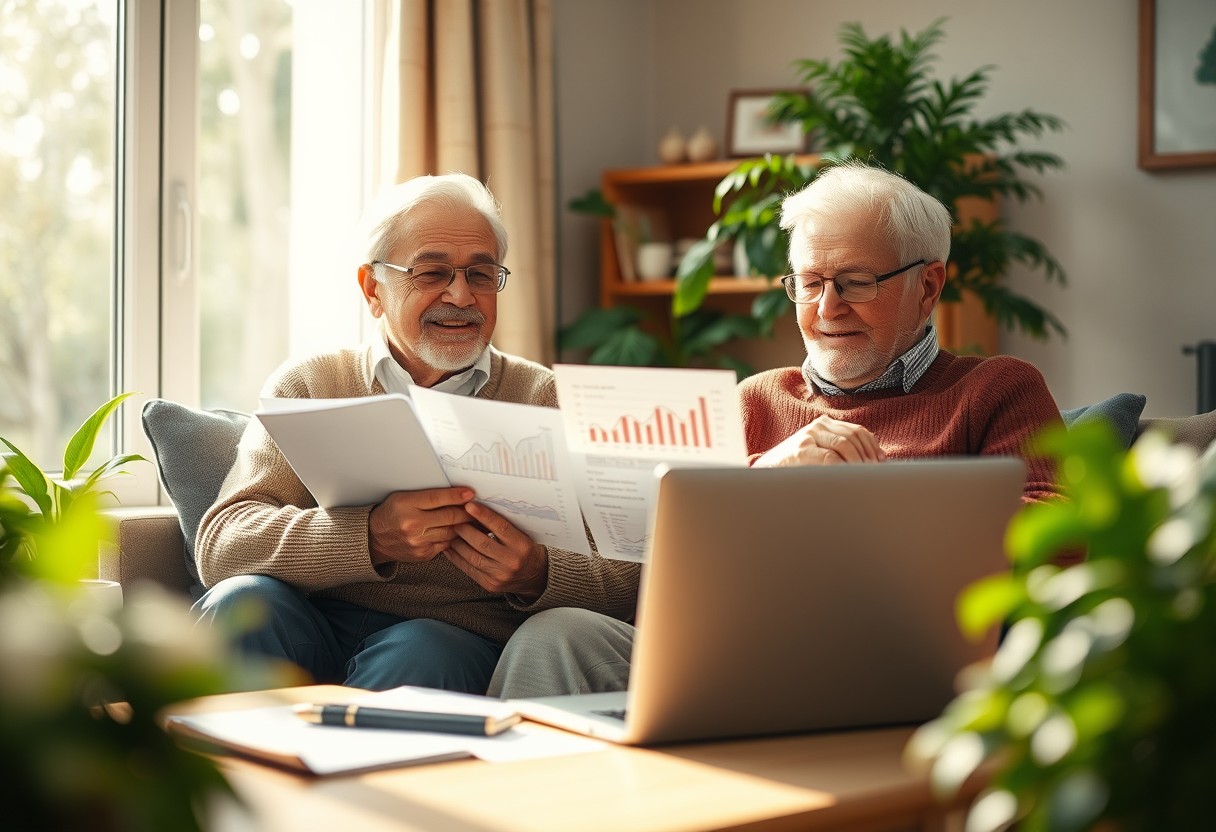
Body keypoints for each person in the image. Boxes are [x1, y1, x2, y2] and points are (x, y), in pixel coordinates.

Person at [487, 160, 1064, 699]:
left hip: (885, 665)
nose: (827, 308)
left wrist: (877, 495)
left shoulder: (996, 389)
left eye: (856, 282)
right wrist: (766, 479)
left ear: (929, 286)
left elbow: (1060, 542)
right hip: (735, 656)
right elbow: (675, 573)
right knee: (556, 637)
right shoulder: (754, 400)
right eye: (809, 282)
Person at [193, 173, 640, 694]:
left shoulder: (548, 399)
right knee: (240, 603)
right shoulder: (312, 383)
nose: (460, 294)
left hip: (453, 639)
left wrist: (537, 573)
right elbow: (222, 544)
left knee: (422, 650)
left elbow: (628, 574)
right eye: (431, 273)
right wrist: (369, 537)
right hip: (312, 620)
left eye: (480, 273)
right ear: (372, 288)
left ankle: (361, 778)